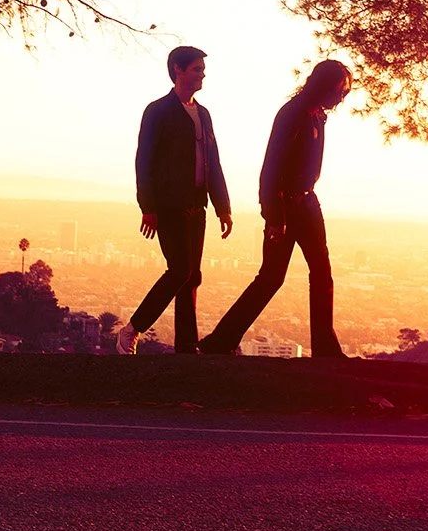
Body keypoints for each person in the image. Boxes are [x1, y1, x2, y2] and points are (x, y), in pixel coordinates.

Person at [201, 59, 352, 358]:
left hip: (307, 202)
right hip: (286, 205)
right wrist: (274, 217)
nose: (342, 97)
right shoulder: (294, 114)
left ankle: (324, 348)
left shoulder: (315, 115)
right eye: (340, 90)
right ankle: (220, 341)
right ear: (324, 86)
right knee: (272, 277)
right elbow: (271, 168)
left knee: (320, 273)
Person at [127, 45, 233, 352]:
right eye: (196, 69)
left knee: (192, 277)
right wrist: (148, 207)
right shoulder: (158, 111)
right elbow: (143, 161)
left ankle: (186, 347)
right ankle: (134, 328)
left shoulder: (203, 115)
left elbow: (213, 161)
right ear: (178, 69)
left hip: (196, 206)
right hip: (168, 205)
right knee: (180, 271)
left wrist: (222, 207)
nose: (202, 74)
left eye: (202, 69)